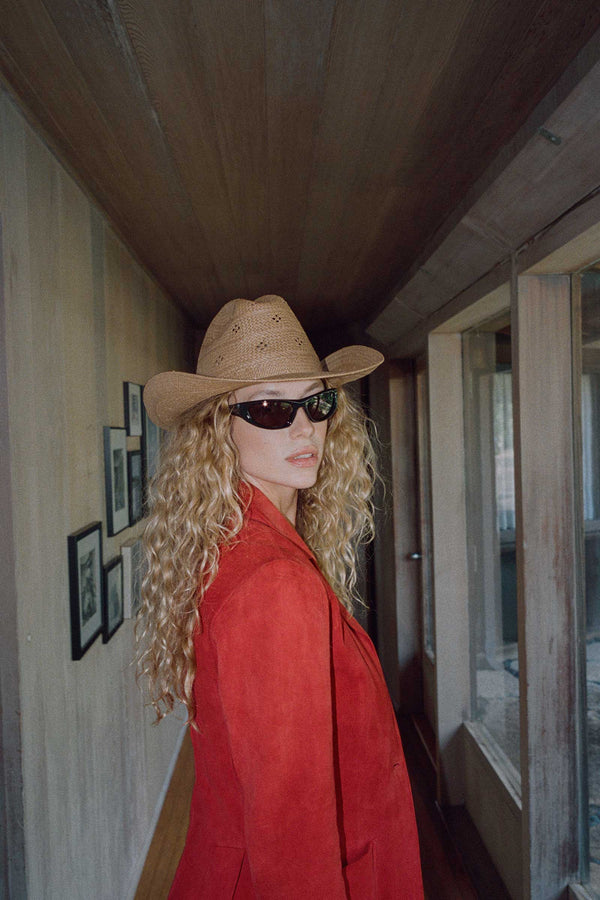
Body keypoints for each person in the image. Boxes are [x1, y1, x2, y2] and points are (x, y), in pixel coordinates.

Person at [138, 294, 424, 899]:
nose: (304, 428)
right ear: (219, 426)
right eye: (269, 407)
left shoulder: (241, 543)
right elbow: (291, 838)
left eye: (315, 403)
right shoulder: (272, 583)